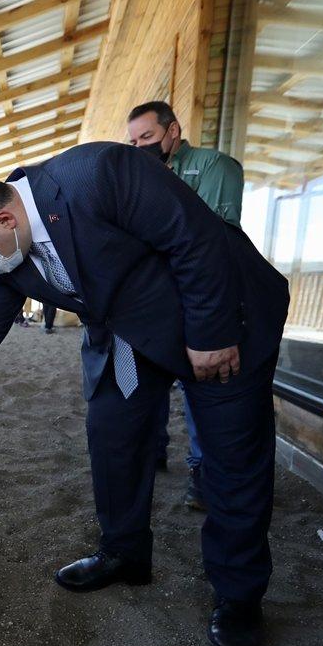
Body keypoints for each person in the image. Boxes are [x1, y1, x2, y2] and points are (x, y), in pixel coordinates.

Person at [0, 144, 289, 646]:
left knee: (233, 458)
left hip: (222, 317)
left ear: (3, 218)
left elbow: (196, 238)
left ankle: (239, 595)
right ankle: (123, 552)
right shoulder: (8, 246)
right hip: (128, 334)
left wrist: (212, 334)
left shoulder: (99, 173)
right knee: (113, 437)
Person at [127, 100, 245, 508]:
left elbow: (217, 234)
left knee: (200, 385)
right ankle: (154, 450)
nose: (141, 146)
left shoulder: (215, 166)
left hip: (196, 295)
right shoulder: (142, 171)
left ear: (172, 130)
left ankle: (201, 470)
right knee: (149, 375)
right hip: (154, 296)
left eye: (147, 137)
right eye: (134, 140)